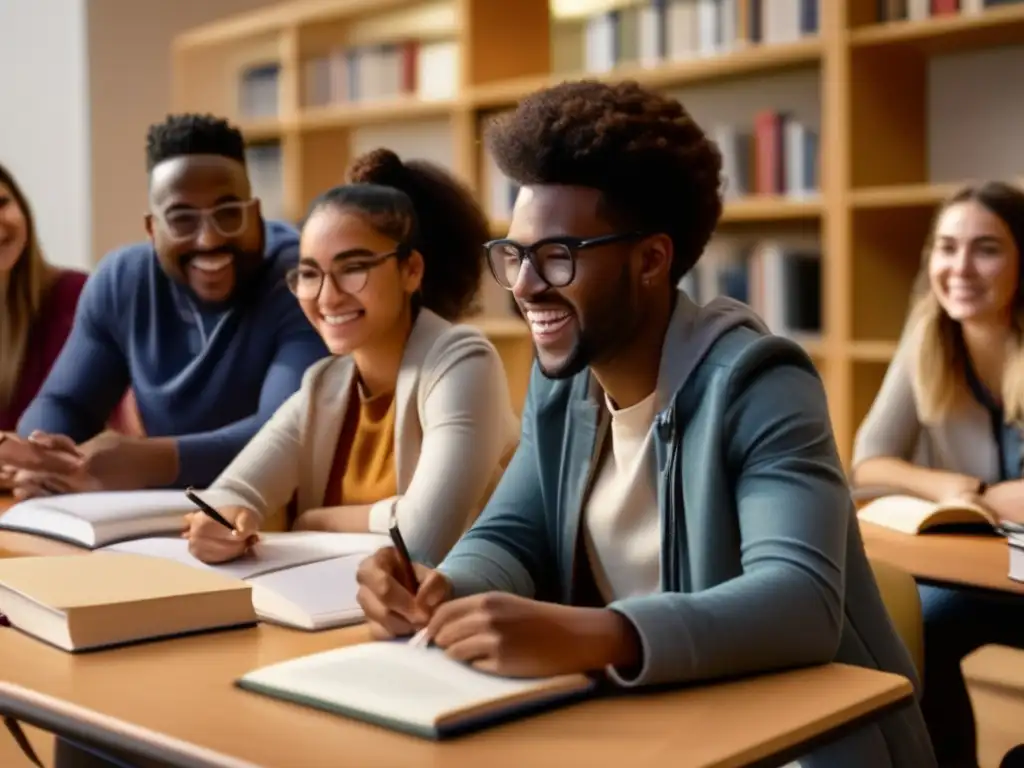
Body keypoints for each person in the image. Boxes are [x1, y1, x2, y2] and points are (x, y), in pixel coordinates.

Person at [353, 80, 937, 768]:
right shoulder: (565, 382)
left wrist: (598, 635)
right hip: (664, 727)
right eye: (514, 255)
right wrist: (443, 587)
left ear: (652, 260)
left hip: (807, 743)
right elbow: (514, 533)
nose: (526, 286)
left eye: (558, 256)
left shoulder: (760, 383)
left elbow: (799, 603)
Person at [184, 148, 519, 564]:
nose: (326, 296)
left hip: (448, 616)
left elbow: (420, 540)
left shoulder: (462, 361)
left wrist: (319, 521)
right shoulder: (325, 383)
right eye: (309, 274)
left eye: (353, 267)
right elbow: (230, 493)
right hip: (337, 609)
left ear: (411, 270)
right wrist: (220, 521)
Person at [8, 113, 329, 497]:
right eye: (181, 219)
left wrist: (151, 461)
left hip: (279, 510)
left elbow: (288, 433)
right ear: (152, 228)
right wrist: (44, 455)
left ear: (255, 213)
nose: (209, 239)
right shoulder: (121, 280)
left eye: (228, 214)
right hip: (167, 516)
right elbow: (65, 402)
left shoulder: (301, 277)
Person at [851, 181, 1024, 768]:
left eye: (987, 248)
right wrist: (959, 490)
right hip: (986, 574)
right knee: (917, 623)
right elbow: (868, 464)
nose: (960, 268)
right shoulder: (929, 333)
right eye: (947, 247)